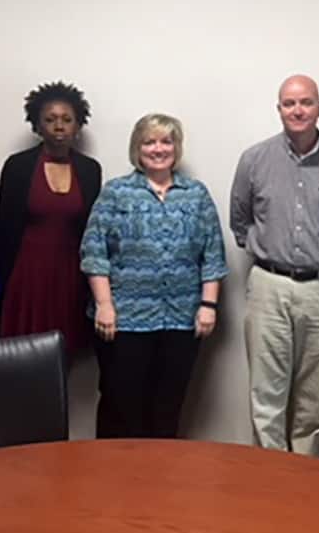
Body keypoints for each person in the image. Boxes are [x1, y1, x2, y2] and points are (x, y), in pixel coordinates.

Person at [229, 74, 319, 456]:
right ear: (279, 109)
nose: (298, 110)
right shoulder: (254, 160)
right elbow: (240, 220)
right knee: (265, 395)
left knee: (315, 399)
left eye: (306, 102)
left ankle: (307, 483)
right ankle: (269, 482)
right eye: (289, 103)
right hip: (268, 286)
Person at [80, 113, 228, 438]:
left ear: (176, 148)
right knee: (122, 406)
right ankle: (112, 477)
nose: (158, 148)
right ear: (138, 148)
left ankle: (159, 482)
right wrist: (104, 305)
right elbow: (94, 252)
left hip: (181, 319)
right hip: (124, 319)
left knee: (168, 406)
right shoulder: (116, 193)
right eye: (150, 141)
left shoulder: (196, 194)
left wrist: (208, 305)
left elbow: (213, 254)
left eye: (165, 141)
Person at [0, 81, 102, 354]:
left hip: (71, 277)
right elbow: (3, 230)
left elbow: (93, 231)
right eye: (50, 119)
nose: (59, 127)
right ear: (37, 125)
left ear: (78, 126)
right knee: (21, 356)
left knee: (62, 355)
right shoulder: (17, 167)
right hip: (25, 276)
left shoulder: (90, 170)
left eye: (67, 120)